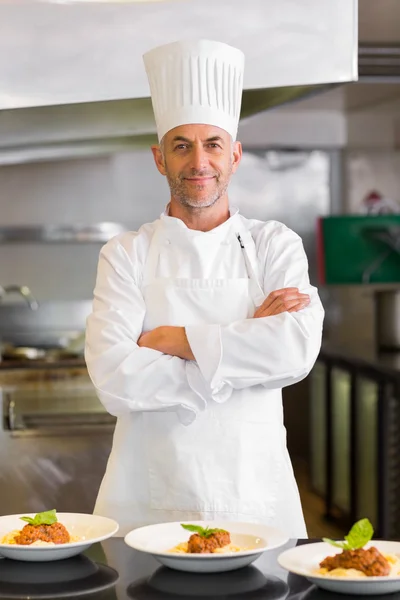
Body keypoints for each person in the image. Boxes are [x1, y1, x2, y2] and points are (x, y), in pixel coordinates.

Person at [85, 39, 324, 538]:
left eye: (213, 144)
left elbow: (295, 351)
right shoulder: (126, 253)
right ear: (159, 158)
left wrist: (176, 341)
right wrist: (241, 341)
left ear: (234, 155)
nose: (199, 161)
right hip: (147, 502)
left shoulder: (274, 244)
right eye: (181, 145)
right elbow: (113, 378)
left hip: (256, 496)